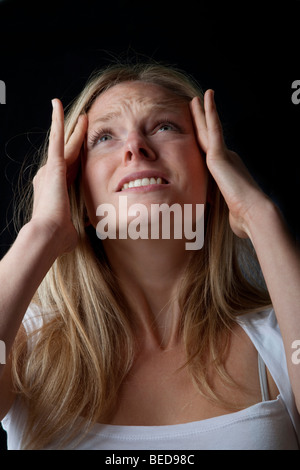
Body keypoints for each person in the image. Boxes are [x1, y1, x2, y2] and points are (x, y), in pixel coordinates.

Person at [0, 62, 299, 450]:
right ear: (77, 192)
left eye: (164, 127)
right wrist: (42, 231)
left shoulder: (279, 338)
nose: (135, 147)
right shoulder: (25, 345)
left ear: (213, 178)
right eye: (104, 136)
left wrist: (261, 218)